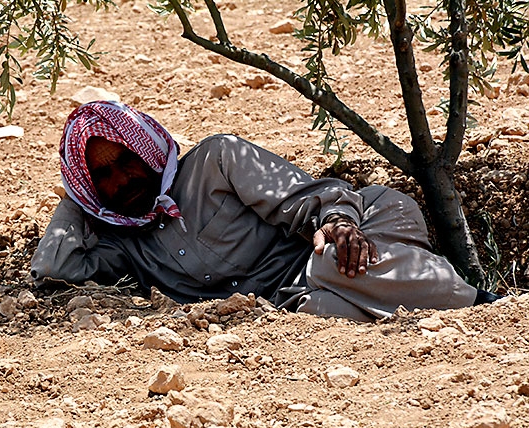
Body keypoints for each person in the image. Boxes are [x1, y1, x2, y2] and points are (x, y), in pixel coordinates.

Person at [30, 100, 497, 322]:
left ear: (146, 147)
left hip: (359, 225)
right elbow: (56, 267)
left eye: (125, 160)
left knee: (339, 262)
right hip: (294, 295)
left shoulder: (216, 160)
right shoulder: (125, 239)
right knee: (325, 311)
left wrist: (337, 224)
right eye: (101, 175)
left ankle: (488, 309)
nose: (121, 181)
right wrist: (79, 199)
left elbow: (310, 199)